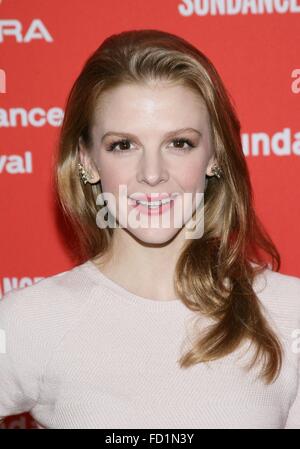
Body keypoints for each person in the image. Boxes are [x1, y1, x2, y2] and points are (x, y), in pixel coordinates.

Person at [0, 29, 299, 429]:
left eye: (180, 143)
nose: (153, 174)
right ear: (87, 160)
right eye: (123, 145)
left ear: (215, 156)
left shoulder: (290, 312)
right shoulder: (30, 320)